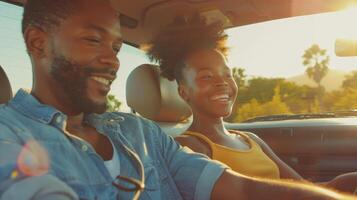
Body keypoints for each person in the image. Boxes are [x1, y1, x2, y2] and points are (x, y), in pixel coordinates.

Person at [0, 0, 355, 199]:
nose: (113, 60)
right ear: (37, 43)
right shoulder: (9, 137)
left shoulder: (140, 132)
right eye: (93, 41)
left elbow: (238, 188)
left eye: (116, 47)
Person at [147, 15, 357, 194]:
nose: (222, 83)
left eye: (227, 74)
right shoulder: (187, 146)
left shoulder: (251, 139)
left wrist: (343, 182)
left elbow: (302, 188)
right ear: (184, 92)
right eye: (207, 77)